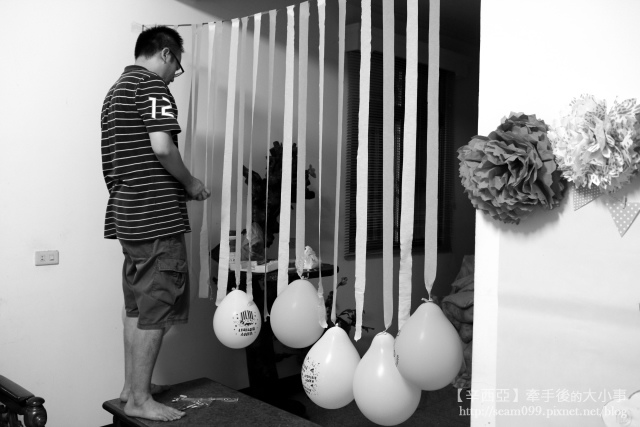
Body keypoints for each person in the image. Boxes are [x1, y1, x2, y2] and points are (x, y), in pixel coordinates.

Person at [101, 26, 210, 422]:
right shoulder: (151, 86)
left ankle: (132, 389)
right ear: (165, 53)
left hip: (128, 216)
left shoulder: (114, 92)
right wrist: (190, 183)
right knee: (158, 304)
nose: (174, 75)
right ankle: (140, 399)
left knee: (138, 307)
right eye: (177, 66)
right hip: (156, 217)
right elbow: (162, 146)